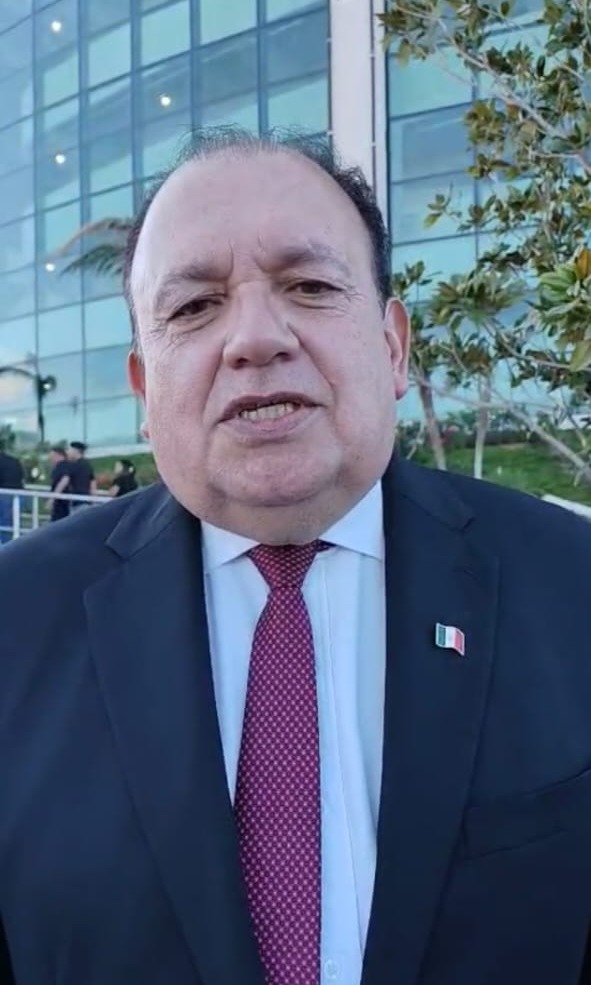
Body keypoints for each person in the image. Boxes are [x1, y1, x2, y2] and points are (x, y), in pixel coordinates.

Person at [0, 129, 589, 985]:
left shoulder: (571, 586)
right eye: (193, 307)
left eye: (309, 286)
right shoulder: (17, 621)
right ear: (144, 388)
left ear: (392, 346)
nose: (254, 338)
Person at [0, 440, 24, 543]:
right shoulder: (14, 461)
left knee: (5, 526)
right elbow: (22, 477)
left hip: (4, 496)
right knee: (13, 525)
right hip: (19, 495)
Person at [66, 440, 96, 508]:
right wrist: (93, 501)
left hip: (77, 502)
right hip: (86, 502)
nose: (68, 452)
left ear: (75, 451)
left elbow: (66, 480)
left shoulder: (72, 466)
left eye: (69, 450)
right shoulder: (88, 465)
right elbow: (93, 484)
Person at [48, 446, 71, 521]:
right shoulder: (60, 466)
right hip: (60, 502)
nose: (51, 459)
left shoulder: (63, 466)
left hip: (61, 503)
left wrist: (53, 497)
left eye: (52, 456)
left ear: (59, 455)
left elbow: (65, 479)